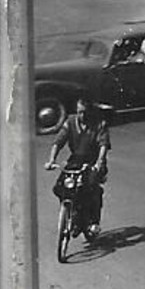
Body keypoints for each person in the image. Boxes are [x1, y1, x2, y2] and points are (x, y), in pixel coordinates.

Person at [45, 98, 111, 238]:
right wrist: (51, 160)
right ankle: (72, 213)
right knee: (60, 187)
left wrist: (99, 162)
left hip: (93, 161)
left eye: (86, 112)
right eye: (80, 112)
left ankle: (94, 221)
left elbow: (103, 145)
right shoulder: (70, 123)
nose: (83, 116)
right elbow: (58, 142)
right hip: (76, 160)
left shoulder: (99, 124)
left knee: (91, 188)